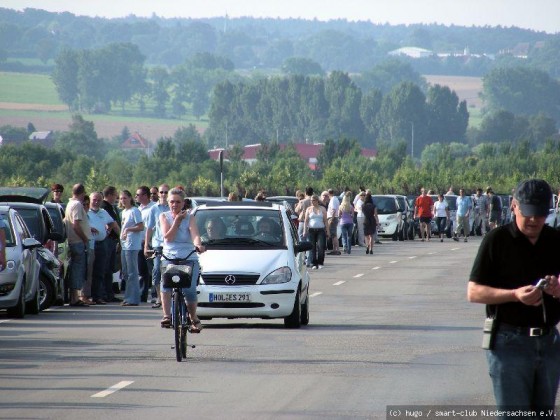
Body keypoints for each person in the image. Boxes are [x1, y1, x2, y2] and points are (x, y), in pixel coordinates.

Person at [467, 179, 560, 414]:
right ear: (514, 206)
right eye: (528, 213)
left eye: (539, 214)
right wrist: (514, 295)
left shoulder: (555, 241)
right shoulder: (497, 241)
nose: (533, 220)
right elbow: (474, 291)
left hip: (549, 342)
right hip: (509, 343)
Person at [159, 188, 206, 332]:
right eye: (172, 201)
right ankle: (167, 316)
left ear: (183, 203)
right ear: (168, 202)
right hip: (170, 258)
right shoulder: (164, 216)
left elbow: (195, 235)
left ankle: (193, 317)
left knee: (189, 289)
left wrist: (198, 244)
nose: (174, 204)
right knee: (166, 285)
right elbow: (168, 237)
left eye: (178, 202)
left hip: (188, 257)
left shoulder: (190, 217)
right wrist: (177, 221)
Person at [89, 191, 119, 305]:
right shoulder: (86, 212)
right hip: (90, 244)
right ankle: (87, 295)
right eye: (94, 200)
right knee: (89, 271)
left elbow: (113, 223)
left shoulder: (103, 212)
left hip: (102, 244)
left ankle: (98, 296)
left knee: (101, 271)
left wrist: (112, 232)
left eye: (99, 200)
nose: (96, 202)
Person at [64, 184, 91, 307]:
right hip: (77, 241)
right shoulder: (77, 205)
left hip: (72, 241)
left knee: (75, 268)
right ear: (83, 193)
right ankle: (74, 297)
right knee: (78, 269)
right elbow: (76, 225)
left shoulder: (70, 204)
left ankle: (74, 296)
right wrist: (84, 238)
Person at [144, 184, 170, 308]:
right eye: (161, 192)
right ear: (158, 194)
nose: (164, 194)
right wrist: (145, 245)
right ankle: (159, 298)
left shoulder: (173, 206)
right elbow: (149, 228)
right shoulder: (154, 209)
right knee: (156, 270)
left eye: (166, 192)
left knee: (171, 270)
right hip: (158, 244)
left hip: (170, 244)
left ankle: (170, 297)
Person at [119, 190, 144, 306]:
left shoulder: (135, 211)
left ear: (130, 198)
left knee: (132, 272)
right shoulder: (124, 212)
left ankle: (133, 298)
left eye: (125, 198)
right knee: (125, 272)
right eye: (121, 198)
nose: (123, 200)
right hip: (124, 244)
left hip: (132, 245)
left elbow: (140, 226)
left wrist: (128, 230)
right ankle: (128, 296)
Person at [101, 186, 122, 302]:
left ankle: (109, 293)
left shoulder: (110, 207)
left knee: (110, 268)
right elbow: (110, 224)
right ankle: (105, 293)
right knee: (107, 268)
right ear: (109, 195)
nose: (116, 197)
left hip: (112, 240)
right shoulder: (105, 207)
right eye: (115, 195)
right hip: (108, 240)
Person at [136, 186, 155, 303]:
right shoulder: (138, 209)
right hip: (139, 243)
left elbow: (153, 227)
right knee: (142, 271)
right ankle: (142, 295)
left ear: (145, 195)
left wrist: (148, 241)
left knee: (153, 270)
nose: (136, 197)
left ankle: (155, 295)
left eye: (138, 195)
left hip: (151, 243)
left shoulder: (153, 208)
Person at [303, 194, 328, 269]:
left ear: (317, 201)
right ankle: (314, 263)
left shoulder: (322, 209)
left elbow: (325, 221)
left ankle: (320, 262)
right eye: (311, 200)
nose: (312, 202)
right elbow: (306, 221)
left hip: (321, 229)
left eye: (313, 200)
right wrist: (304, 230)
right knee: (312, 247)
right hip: (311, 230)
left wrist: (328, 230)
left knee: (321, 246)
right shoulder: (309, 209)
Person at [326, 189, 341, 255]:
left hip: (333, 217)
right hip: (334, 217)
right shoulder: (335, 199)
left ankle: (337, 250)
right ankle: (335, 249)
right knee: (333, 234)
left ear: (329, 194)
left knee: (333, 235)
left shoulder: (333, 200)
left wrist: (331, 219)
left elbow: (333, 210)